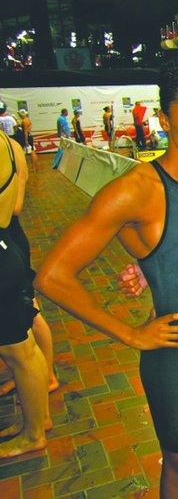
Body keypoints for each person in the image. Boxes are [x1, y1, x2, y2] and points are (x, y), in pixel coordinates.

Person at [36, 66, 178, 497]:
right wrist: (130, 333)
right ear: (164, 120)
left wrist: (150, 269)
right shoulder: (135, 190)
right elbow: (53, 276)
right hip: (175, 354)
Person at [0, 131, 50, 459]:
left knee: (20, 350)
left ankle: (34, 432)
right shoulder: (8, 142)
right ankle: (37, 419)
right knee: (22, 346)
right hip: (7, 246)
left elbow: (13, 206)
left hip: (5, 252)